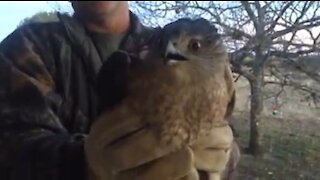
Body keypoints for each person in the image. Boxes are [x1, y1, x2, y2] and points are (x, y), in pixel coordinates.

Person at [0, 1, 238, 180]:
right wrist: (84, 166)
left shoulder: (179, 46)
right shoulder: (25, 50)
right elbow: (10, 151)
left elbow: (226, 137)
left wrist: (222, 162)